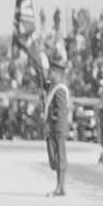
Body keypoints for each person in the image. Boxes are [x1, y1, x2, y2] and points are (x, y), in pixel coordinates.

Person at [43, 55, 72, 196]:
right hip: (55, 127)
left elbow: (60, 111)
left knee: (60, 156)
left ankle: (60, 187)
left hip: (58, 127)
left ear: (58, 74)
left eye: (52, 72)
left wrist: (55, 126)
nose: (50, 75)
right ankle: (60, 186)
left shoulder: (59, 89)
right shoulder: (53, 88)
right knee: (55, 157)